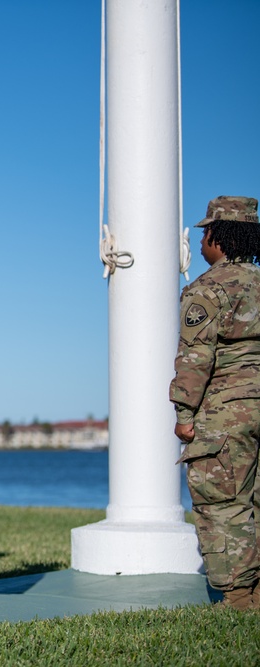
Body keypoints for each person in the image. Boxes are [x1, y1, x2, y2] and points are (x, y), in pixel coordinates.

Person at [169, 195, 260, 612]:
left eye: (205, 232)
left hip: (226, 410)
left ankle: (239, 597)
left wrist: (184, 415)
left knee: (222, 501)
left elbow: (195, 358)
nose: (202, 239)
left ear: (219, 237)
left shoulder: (207, 289)